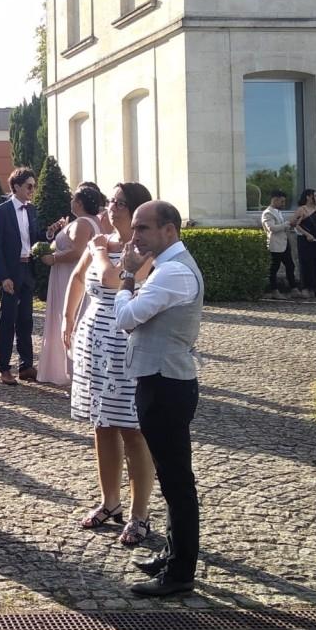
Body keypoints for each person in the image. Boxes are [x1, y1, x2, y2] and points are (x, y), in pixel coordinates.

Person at [114, 200, 205, 597]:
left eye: (143, 228)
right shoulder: (168, 267)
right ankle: (172, 555)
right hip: (158, 380)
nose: (135, 237)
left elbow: (127, 318)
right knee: (171, 479)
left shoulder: (173, 272)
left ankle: (181, 572)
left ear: (170, 230)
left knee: (177, 481)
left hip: (167, 385)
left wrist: (126, 278)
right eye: (135, 228)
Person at [63, 182, 157, 549]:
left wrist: (101, 253)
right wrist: (66, 320)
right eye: (111, 202)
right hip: (95, 345)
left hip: (127, 346)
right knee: (101, 425)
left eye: (118, 203)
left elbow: (112, 280)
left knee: (133, 430)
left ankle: (140, 514)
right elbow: (76, 279)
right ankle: (109, 501)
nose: (111, 207)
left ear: (135, 210)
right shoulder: (101, 242)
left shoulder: (144, 250)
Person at [38, 186, 104, 386]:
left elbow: (78, 251)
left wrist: (54, 258)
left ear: (80, 203)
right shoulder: (93, 221)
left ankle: (74, 371)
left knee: (69, 317)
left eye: (74, 198)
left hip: (69, 275)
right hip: (70, 274)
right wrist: (54, 235)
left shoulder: (83, 223)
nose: (71, 201)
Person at [0, 167, 47, 384]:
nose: (32, 190)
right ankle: (3, 367)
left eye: (34, 186)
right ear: (16, 187)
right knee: (7, 320)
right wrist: (3, 277)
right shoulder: (1, 211)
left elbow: (35, 238)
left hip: (27, 269)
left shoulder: (32, 210)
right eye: (29, 186)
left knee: (26, 320)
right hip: (11, 272)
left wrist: (50, 233)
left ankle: (26, 365)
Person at [261, 191, 298, 300]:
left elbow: (281, 227)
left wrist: (290, 225)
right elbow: (271, 228)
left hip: (284, 244)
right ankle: (274, 291)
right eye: (282, 201)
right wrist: (287, 224)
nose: (283, 204)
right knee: (274, 268)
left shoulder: (278, 212)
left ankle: (294, 288)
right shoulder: (268, 213)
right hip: (275, 245)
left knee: (290, 266)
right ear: (275, 200)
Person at [292, 188, 316, 298]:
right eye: (315, 195)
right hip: (305, 239)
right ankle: (305, 287)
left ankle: (315, 286)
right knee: (305, 263)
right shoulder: (302, 209)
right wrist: (307, 234)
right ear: (308, 197)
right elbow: (295, 224)